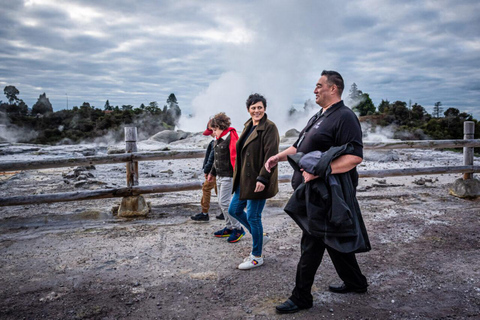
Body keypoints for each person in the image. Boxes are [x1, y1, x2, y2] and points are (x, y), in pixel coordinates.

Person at [265, 70, 371, 314]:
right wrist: (278, 157)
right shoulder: (319, 116)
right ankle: (357, 282)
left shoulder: (345, 117)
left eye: (319, 85)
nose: (315, 90)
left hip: (327, 192)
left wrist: (322, 171)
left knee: (312, 242)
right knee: (330, 236)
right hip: (312, 190)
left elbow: (354, 157)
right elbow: (299, 146)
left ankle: (301, 296)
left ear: (333, 88)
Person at [228, 93, 279, 270]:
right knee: (233, 209)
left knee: (253, 216)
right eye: (253, 107)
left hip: (259, 179)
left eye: (260, 107)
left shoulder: (270, 128)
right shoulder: (248, 125)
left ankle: (257, 256)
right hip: (244, 179)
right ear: (248, 109)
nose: (257, 110)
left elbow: (270, 155)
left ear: (264, 108)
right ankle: (260, 237)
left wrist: (263, 178)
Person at [207, 113, 245, 243]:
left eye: (214, 129)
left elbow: (236, 158)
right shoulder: (218, 139)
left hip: (228, 177)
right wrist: (212, 173)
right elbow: (216, 160)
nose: (213, 132)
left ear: (221, 126)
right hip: (219, 176)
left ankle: (238, 228)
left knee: (225, 203)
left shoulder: (230, 138)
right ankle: (229, 227)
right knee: (221, 202)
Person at [191, 119, 223, 221]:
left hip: (214, 172)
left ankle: (205, 213)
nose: (211, 134)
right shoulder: (221, 140)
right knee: (220, 191)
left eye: (212, 131)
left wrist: (206, 170)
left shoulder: (216, 142)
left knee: (206, 188)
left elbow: (211, 158)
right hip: (220, 171)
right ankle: (224, 212)